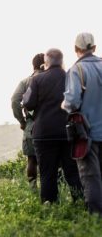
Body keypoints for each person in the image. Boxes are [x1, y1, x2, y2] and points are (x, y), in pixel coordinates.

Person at [23, 48, 83, 203]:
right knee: (72, 171)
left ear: (46, 63)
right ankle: (80, 202)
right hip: (67, 132)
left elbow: (28, 104)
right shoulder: (71, 77)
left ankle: (49, 204)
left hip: (44, 133)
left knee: (47, 173)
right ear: (62, 61)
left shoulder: (37, 80)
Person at [62, 32, 102, 215]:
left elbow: (72, 103)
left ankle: (95, 218)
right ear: (94, 48)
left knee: (91, 177)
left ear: (76, 49)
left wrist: (64, 104)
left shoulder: (76, 71)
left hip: (88, 134)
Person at [11, 53, 44, 189]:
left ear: (33, 65)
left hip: (31, 125)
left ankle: (32, 189)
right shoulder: (53, 79)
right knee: (54, 160)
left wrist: (22, 121)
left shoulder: (25, 82)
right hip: (51, 124)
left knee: (32, 159)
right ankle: (53, 190)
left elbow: (14, 100)